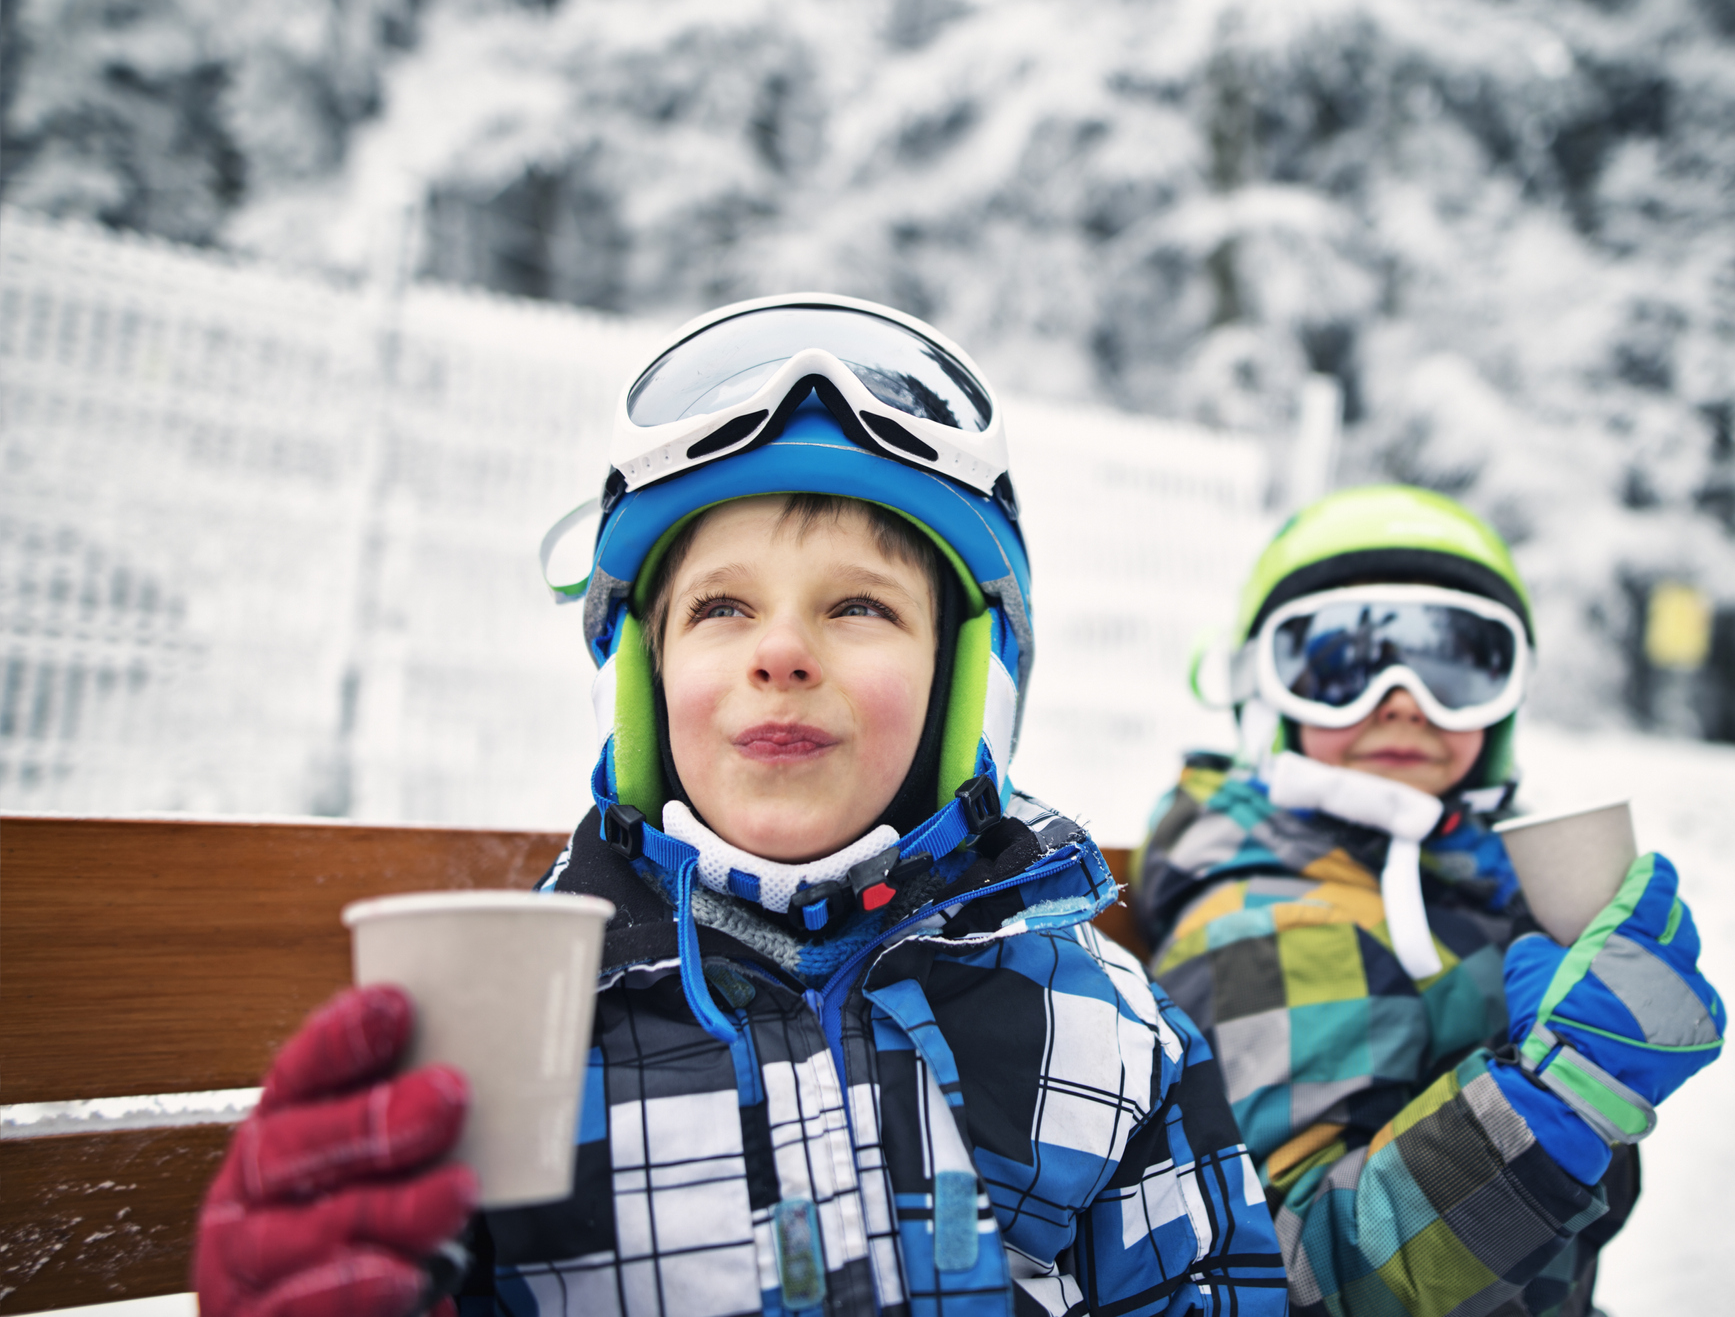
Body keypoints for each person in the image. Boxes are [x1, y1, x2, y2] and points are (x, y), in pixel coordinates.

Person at [192, 295, 1288, 1317]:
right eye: (720, 606)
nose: (780, 652)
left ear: (970, 687)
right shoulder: (519, 1034)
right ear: (636, 676)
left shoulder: (1106, 1031)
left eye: (858, 605)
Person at [1133, 485, 1725, 1317]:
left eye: (1457, 665)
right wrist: (1560, 1100)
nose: (1405, 699)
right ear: (1265, 692)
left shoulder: (1473, 881)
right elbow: (1290, 1277)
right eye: (1340, 665)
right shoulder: (1272, 923)